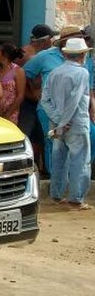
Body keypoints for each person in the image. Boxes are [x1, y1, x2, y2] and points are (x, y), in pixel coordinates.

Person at [25, 25, 86, 177]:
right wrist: (32, 92)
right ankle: (55, 181)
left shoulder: (84, 58)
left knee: (82, 141)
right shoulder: (45, 56)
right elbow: (24, 72)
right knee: (54, 142)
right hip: (50, 108)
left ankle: (72, 179)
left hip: (77, 112)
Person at [41, 37, 93, 209]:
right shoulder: (82, 73)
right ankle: (76, 198)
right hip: (75, 124)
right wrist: (63, 123)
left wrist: (57, 121)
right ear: (82, 55)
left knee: (58, 159)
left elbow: (45, 100)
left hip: (57, 124)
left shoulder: (55, 72)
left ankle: (56, 194)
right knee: (80, 160)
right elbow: (75, 100)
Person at [0, 43, 26, 125]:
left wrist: (8, 114)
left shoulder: (18, 71)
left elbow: (20, 96)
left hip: (10, 114)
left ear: (4, 55)